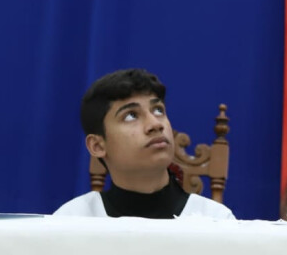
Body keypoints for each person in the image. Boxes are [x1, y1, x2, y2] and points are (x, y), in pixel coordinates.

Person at [54, 68, 234, 219]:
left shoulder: (216, 221)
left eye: (158, 110)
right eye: (131, 115)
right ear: (98, 146)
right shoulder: (72, 221)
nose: (155, 124)